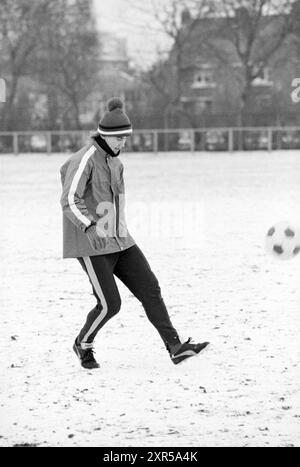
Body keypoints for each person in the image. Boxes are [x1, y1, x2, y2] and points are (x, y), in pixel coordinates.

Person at [60, 97, 209, 369]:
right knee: (110, 304)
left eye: (125, 138)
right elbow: (69, 199)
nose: (123, 144)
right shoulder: (85, 159)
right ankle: (83, 343)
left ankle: (175, 347)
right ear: (105, 136)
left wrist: (120, 229)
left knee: (150, 289)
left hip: (121, 240)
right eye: (119, 139)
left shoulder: (116, 163)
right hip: (92, 244)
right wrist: (90, 226)